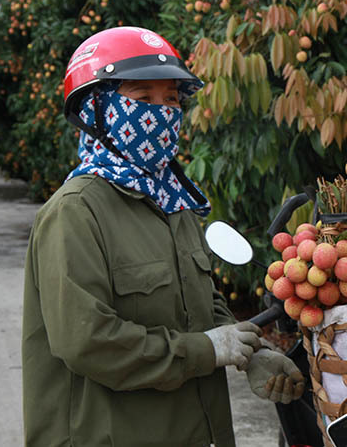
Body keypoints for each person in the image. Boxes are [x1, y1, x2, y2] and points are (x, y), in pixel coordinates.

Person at [22, 26, 304, 446]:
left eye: (171, 99)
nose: (162, 112)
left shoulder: (173, 202)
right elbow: (87, 341)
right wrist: (206, 350)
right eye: (142, 98)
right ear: (96, 111)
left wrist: (248, 351)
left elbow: (202, 304)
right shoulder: (75, 212)